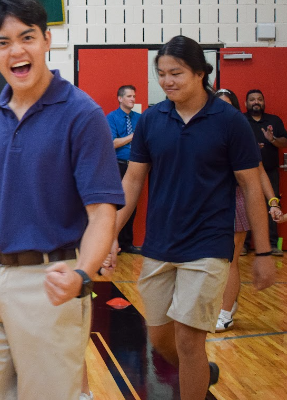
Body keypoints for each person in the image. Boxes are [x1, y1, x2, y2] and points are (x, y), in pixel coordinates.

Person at [0, 0, 124, 400]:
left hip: (50, 281)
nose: (17, 50)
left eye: (27, 37)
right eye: (3, 42)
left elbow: (102, 212)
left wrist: (82, 274)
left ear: (47, 40)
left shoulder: (82, 115)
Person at [110, 36, 277, 400]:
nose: (167, 81)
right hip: (160, 243)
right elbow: (133, 179)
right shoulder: (153, 119)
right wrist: (110, 233)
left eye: (176, 73)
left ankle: (195, 374)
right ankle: (200, 370)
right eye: (162, 74)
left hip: (208, 244)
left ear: (201, 73)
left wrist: (262, 253)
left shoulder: (230, 122)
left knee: (189, 339)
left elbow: (250, 187)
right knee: (159, 338)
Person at [212, 89, 283, 332]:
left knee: (228, 260)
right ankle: (228, 303)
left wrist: (272, 201)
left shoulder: (240, 134)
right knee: (213, 262)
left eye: (226, 105)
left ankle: (224, 313)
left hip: (236, 200)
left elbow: (259, 170)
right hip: (208, 203)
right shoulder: (203, 131)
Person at [244, 89, 287, 255]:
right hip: (246, 173)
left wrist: (273, 140)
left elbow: (284, 142)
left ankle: (272, 244)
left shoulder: (274, 121)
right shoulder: (240, 120)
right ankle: (245, 244)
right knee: (245, 206)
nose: (256, 102)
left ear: (263, 102)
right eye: (252, 99)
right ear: (246, 103)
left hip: (270, 172)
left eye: (259, 99)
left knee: (273, 205)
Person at [106, 85, 142, 254]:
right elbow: (112, 143)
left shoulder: (140, 118)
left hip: (135, 166)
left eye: (134, 96)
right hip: (118, 165)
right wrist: (132, 137)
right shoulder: (112, 118)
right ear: (120, 99)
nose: (133, 99)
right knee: (116, 205)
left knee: (131, 205)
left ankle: (127, 243)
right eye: (129, 96)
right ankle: (113, 242)